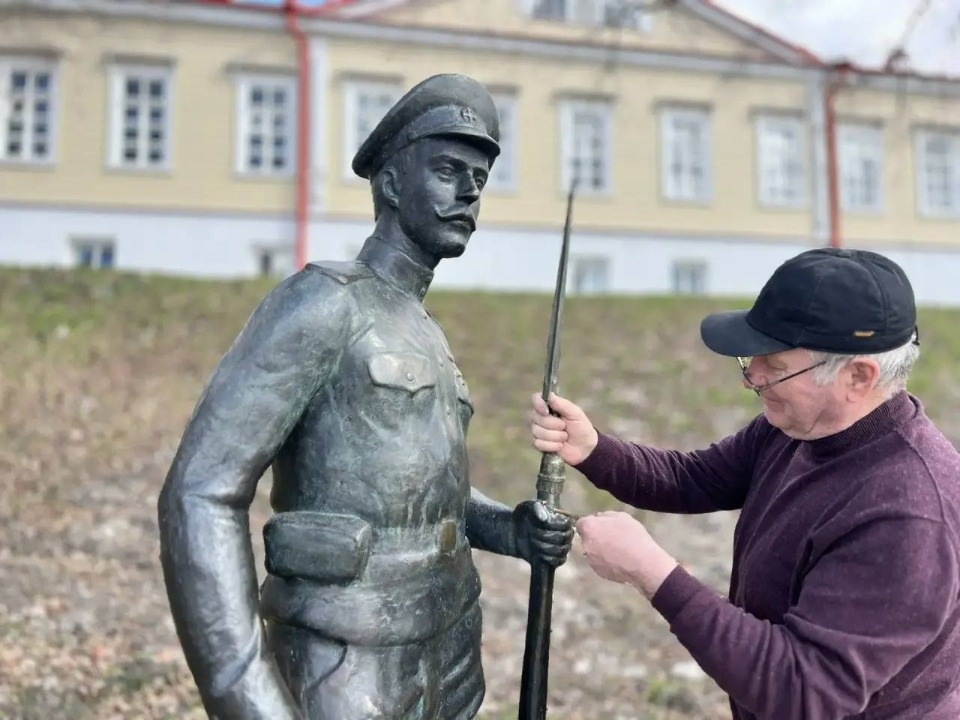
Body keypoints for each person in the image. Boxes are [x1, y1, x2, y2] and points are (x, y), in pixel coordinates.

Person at [158, 73, 573, 720]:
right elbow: (200, 491)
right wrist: (245, 697)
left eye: (480, 179)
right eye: (446, 169)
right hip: (347, 664)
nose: (469, 192)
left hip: (449, 657)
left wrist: (509, 529)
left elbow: (413, 497)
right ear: (388, 182)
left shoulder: (424, 330)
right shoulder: (323, 304)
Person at [530, 248, 960, 719]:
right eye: (752, 358)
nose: (751, 378)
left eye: (774, 368)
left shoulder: (908, 514)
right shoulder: (801, 425)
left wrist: (650, 572)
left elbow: (803, 691)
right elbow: (695, 478)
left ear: (858, 376)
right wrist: (594, 449)